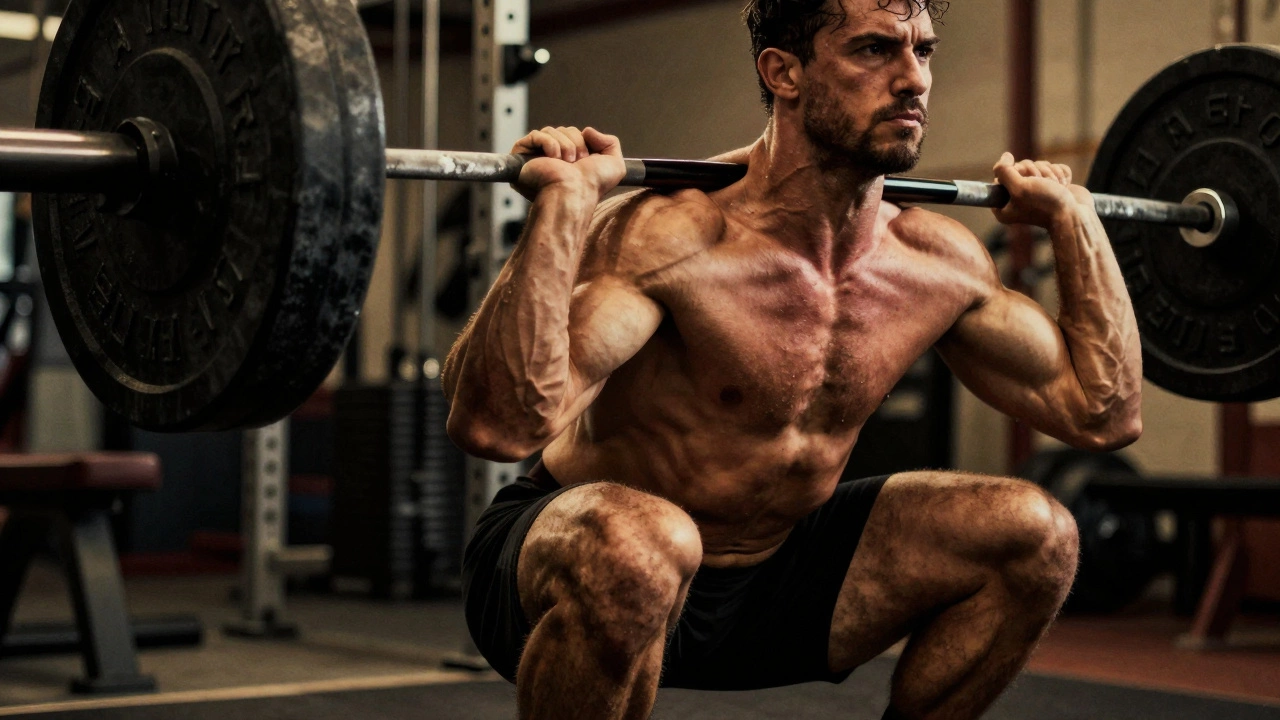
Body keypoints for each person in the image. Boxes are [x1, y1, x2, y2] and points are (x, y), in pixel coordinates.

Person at [443, 0, 1143, 717]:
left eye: (924, 52)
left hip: (781, 576)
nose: (913, 80)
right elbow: (497, 425)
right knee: (644, 546)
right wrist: (564, 209)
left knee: (1038, 534)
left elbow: (1103, 412)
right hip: (585, 567)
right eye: (874, 50)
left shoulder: (937, 262)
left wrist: (1076, 223)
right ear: (783, 72)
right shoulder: (673, 238)